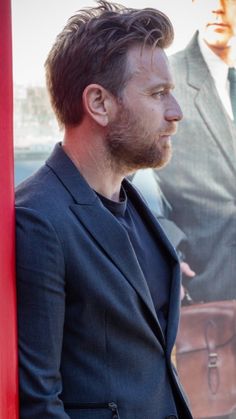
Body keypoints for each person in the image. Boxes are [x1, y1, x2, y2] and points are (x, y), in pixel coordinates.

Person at [15, 2, 192, 418]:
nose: (176, 112)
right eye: (158, 93)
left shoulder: (132, 201)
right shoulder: (39, 220)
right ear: (98, 103)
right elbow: (40, 405)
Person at [136, 0, 236, 303]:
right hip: (204, 292)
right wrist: (167, 256)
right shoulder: (166, 78)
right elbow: (127, 180)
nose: (217, 8)